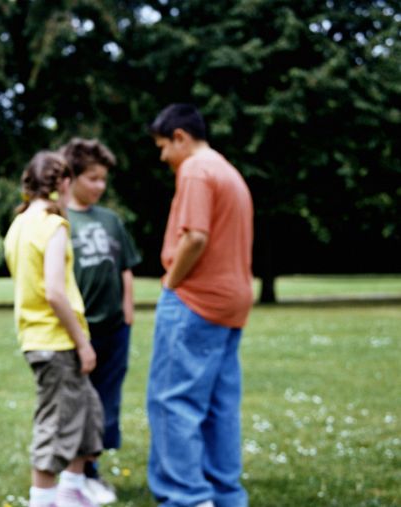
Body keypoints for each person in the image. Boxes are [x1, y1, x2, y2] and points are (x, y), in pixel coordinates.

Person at [145, 104, 254, 507]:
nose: (163, 157)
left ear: (180, 137)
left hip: (196, 299)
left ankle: (187, 497)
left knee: (172, 401)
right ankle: (225, 495)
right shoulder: (228, 171)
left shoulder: (195, 169)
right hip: (231, 301)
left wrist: (171, 282)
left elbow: (195, 237)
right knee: (218, 405)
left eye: (163, 146)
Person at [3, 151, 104, 507]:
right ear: (63, 183)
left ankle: (71, 491)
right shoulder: (53, 225)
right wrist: (83, 343)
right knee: (57, 425)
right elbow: (55, 293)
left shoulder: (18, 225)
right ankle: (42, 500)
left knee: (86, 411)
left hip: (39, 338)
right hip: (56, 339)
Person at [60, 138, 142, 505]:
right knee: (79, 405)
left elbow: (125, 267)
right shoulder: (60, 220)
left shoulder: (110, 220)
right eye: (92, 178)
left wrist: (128, 311)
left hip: (114, 329)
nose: (100, 186)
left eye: (103, 179)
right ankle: (72, 476)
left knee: (107, 406)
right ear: (72, 177)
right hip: (79, 332)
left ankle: (90, 472)